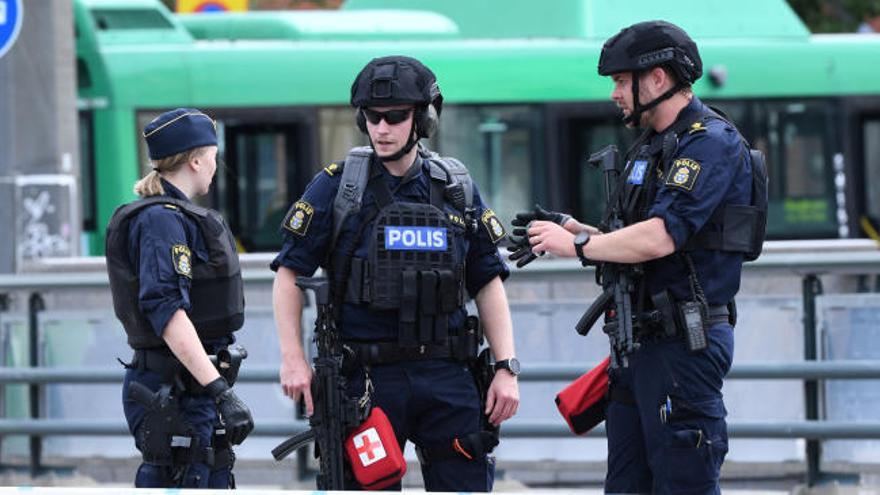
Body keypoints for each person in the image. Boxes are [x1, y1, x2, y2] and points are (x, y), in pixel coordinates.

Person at [510, 21, 763, 494]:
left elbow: (661, 237)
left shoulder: (708, 143)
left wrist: (579, 247)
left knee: (682, 481)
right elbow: (628, 237)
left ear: (658, 79)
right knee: (626, 485)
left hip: (682, 345)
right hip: (638, 346)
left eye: (622, 81)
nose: (614, 93)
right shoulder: (651, 146)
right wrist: (573, 229)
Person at [271, 55, 519, 492]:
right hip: (366, 380)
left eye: (395, 117)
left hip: (447, 374)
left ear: (423, 119)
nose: (381, 128)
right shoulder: (337, 187)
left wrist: (506, 366)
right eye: (372, 117)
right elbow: (289, 273)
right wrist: (292, 359)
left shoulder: (455, 187)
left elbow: (487, 278)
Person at [106, 108, 254, 488]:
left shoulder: (178, 216)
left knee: (208, 473)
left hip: (191, 387)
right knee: (183, 475)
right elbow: (166, 311)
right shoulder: (161, 221)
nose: (215, 167)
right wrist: (220, 390)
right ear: (195, 160)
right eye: (213, 158)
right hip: (173, 391)